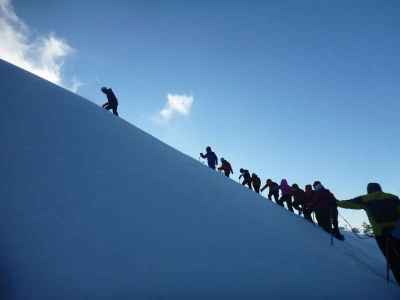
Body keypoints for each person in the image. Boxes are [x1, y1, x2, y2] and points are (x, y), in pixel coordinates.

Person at [337, 183, 400, 285]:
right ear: (380, 188)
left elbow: (348, 204)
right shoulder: (393, 197)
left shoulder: (365, 199)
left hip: (381, 234)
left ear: (369, 190)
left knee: (393, 259)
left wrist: (336, 202)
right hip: (397, 231)